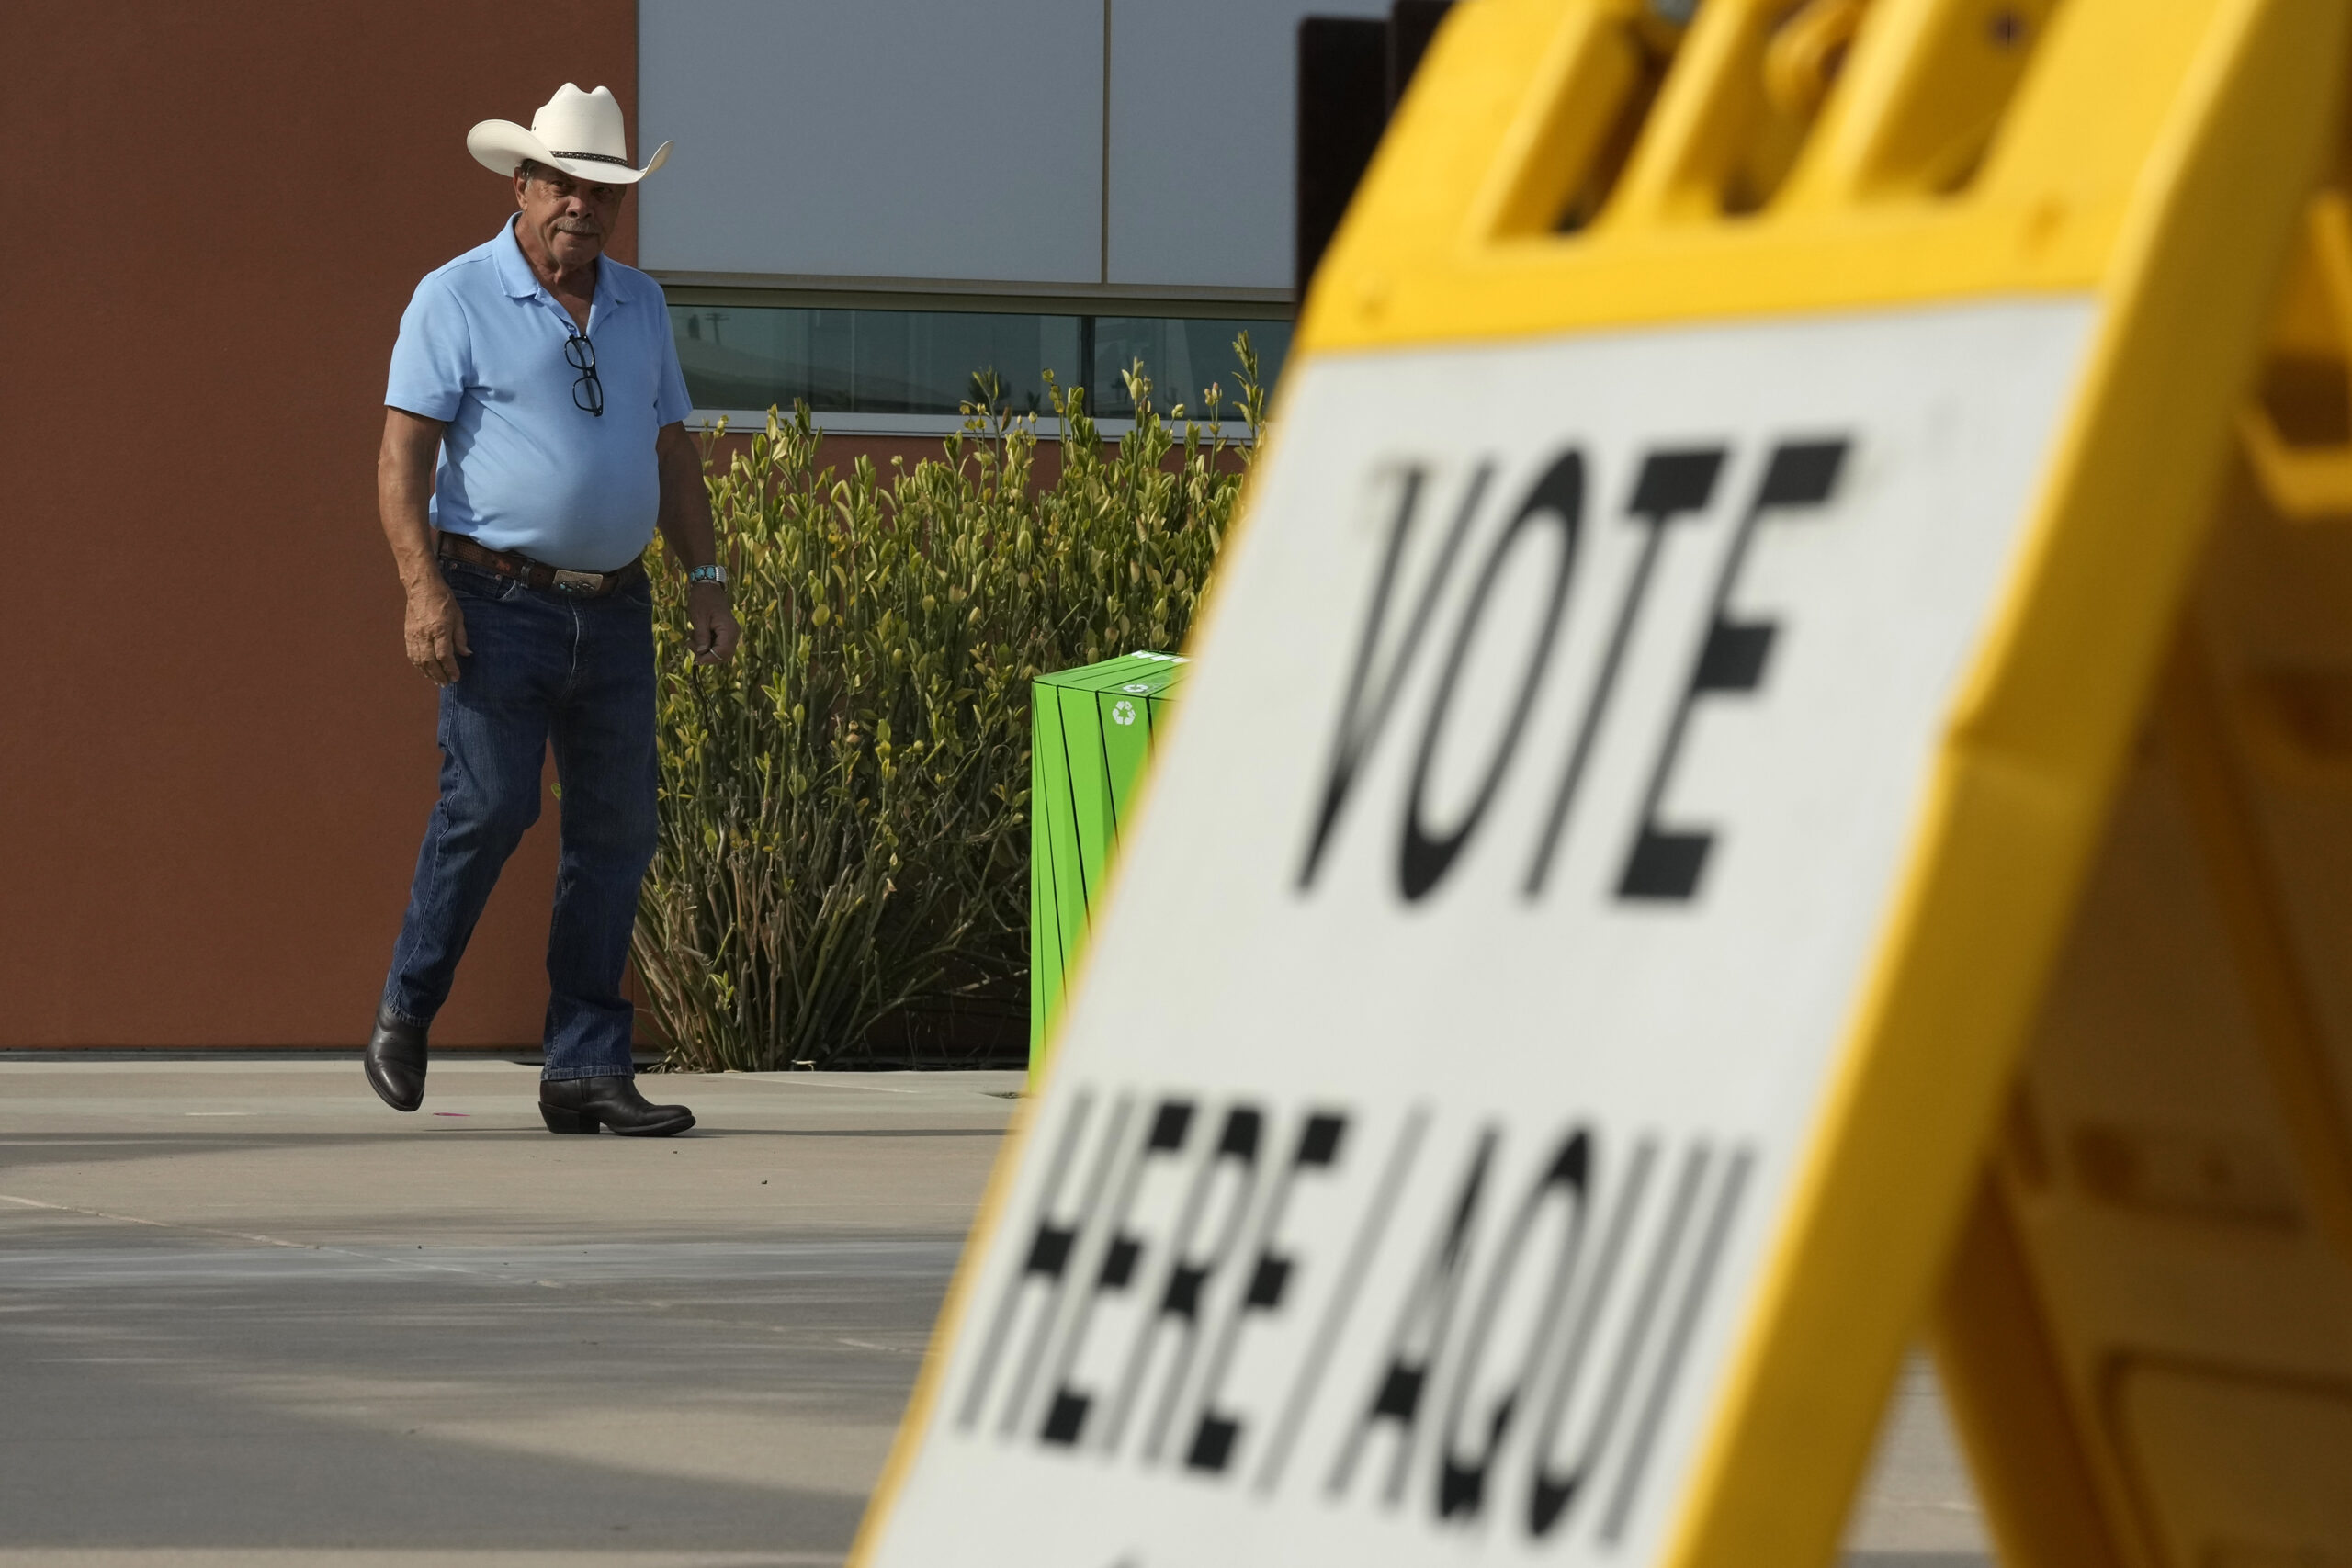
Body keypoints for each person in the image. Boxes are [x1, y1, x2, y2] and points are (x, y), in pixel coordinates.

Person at [366, 85, 737, 1135]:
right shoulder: (455, 295)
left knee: (617, 833)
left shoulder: (641, 303)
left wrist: (706, 581)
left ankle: (584, 1067)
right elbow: (402, 458)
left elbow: (671, 453)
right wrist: (421, 590)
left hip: (617, 612)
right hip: (494, 600)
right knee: (489, 808)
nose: (582, 204)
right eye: (564, 184)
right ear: (521, 185)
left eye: (603, 191)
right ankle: (410, 1003)